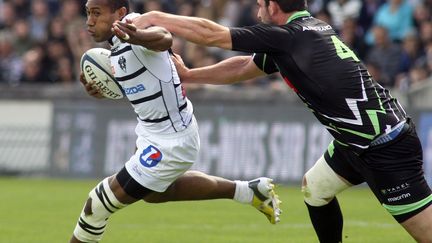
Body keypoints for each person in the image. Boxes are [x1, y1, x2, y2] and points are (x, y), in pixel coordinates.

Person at [113, 0, 432, 242]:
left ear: (274, 7)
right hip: (357, 143)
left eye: (261, 2)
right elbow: (242, 68)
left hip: (384, 147)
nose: (256, 7)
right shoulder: (302, 33)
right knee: (316, 188)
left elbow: (211, 35)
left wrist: (153, 17)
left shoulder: (286, 37)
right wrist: (190, 75)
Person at [69, 1, 282, 242]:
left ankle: (246, 191)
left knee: (96, 205)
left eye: (97, 13)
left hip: (170, 142)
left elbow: (163, 37)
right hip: (154, 131)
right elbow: (143, 78)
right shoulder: (116, 47)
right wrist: (106, 88)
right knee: (154, 194)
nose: (89, 21)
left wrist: (139, 36)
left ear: (120, 14)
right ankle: (248, 191)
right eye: (88, 13)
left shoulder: (134, 25)